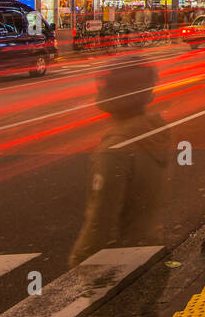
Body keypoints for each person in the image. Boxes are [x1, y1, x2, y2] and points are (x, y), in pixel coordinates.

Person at [69, 62, 171, 266]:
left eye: (105, 85)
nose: (99, 89)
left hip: (121, 261)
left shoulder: (116, 149)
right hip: (151, 248)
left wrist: (79, 260)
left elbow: (101, 219)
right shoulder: (153, 134)